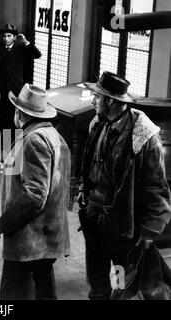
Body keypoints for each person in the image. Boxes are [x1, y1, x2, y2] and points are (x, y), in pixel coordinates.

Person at [78, 71, 171, 300]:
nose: (93, 101)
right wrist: (84, 189)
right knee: (97, 275)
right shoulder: (97, 124)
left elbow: (157, 188)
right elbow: (90, 164)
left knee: (121, 278)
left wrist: (150, 230)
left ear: (110, 101)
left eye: (97, 97)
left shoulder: (144, 137)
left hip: (122, 226)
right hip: (95, 220)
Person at [0, 83, 71, 300]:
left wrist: (2, 224)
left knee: (12, 294)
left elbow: (35, 196)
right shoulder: (53, 136)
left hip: (30, 238)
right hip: (48, 235)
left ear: (20, 113)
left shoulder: (34, 139)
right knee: (44, 291)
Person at [0, 24, 42, 137]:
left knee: (16, 119)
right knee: (2, 119)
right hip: (1, 90)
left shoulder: (21, 47)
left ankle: (15, 147)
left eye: (9, 36)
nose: (6, 38)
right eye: (4, 36)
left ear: (14, 37)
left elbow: (37, 54)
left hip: (17, 90)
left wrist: (26, 41)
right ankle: (4, 148)